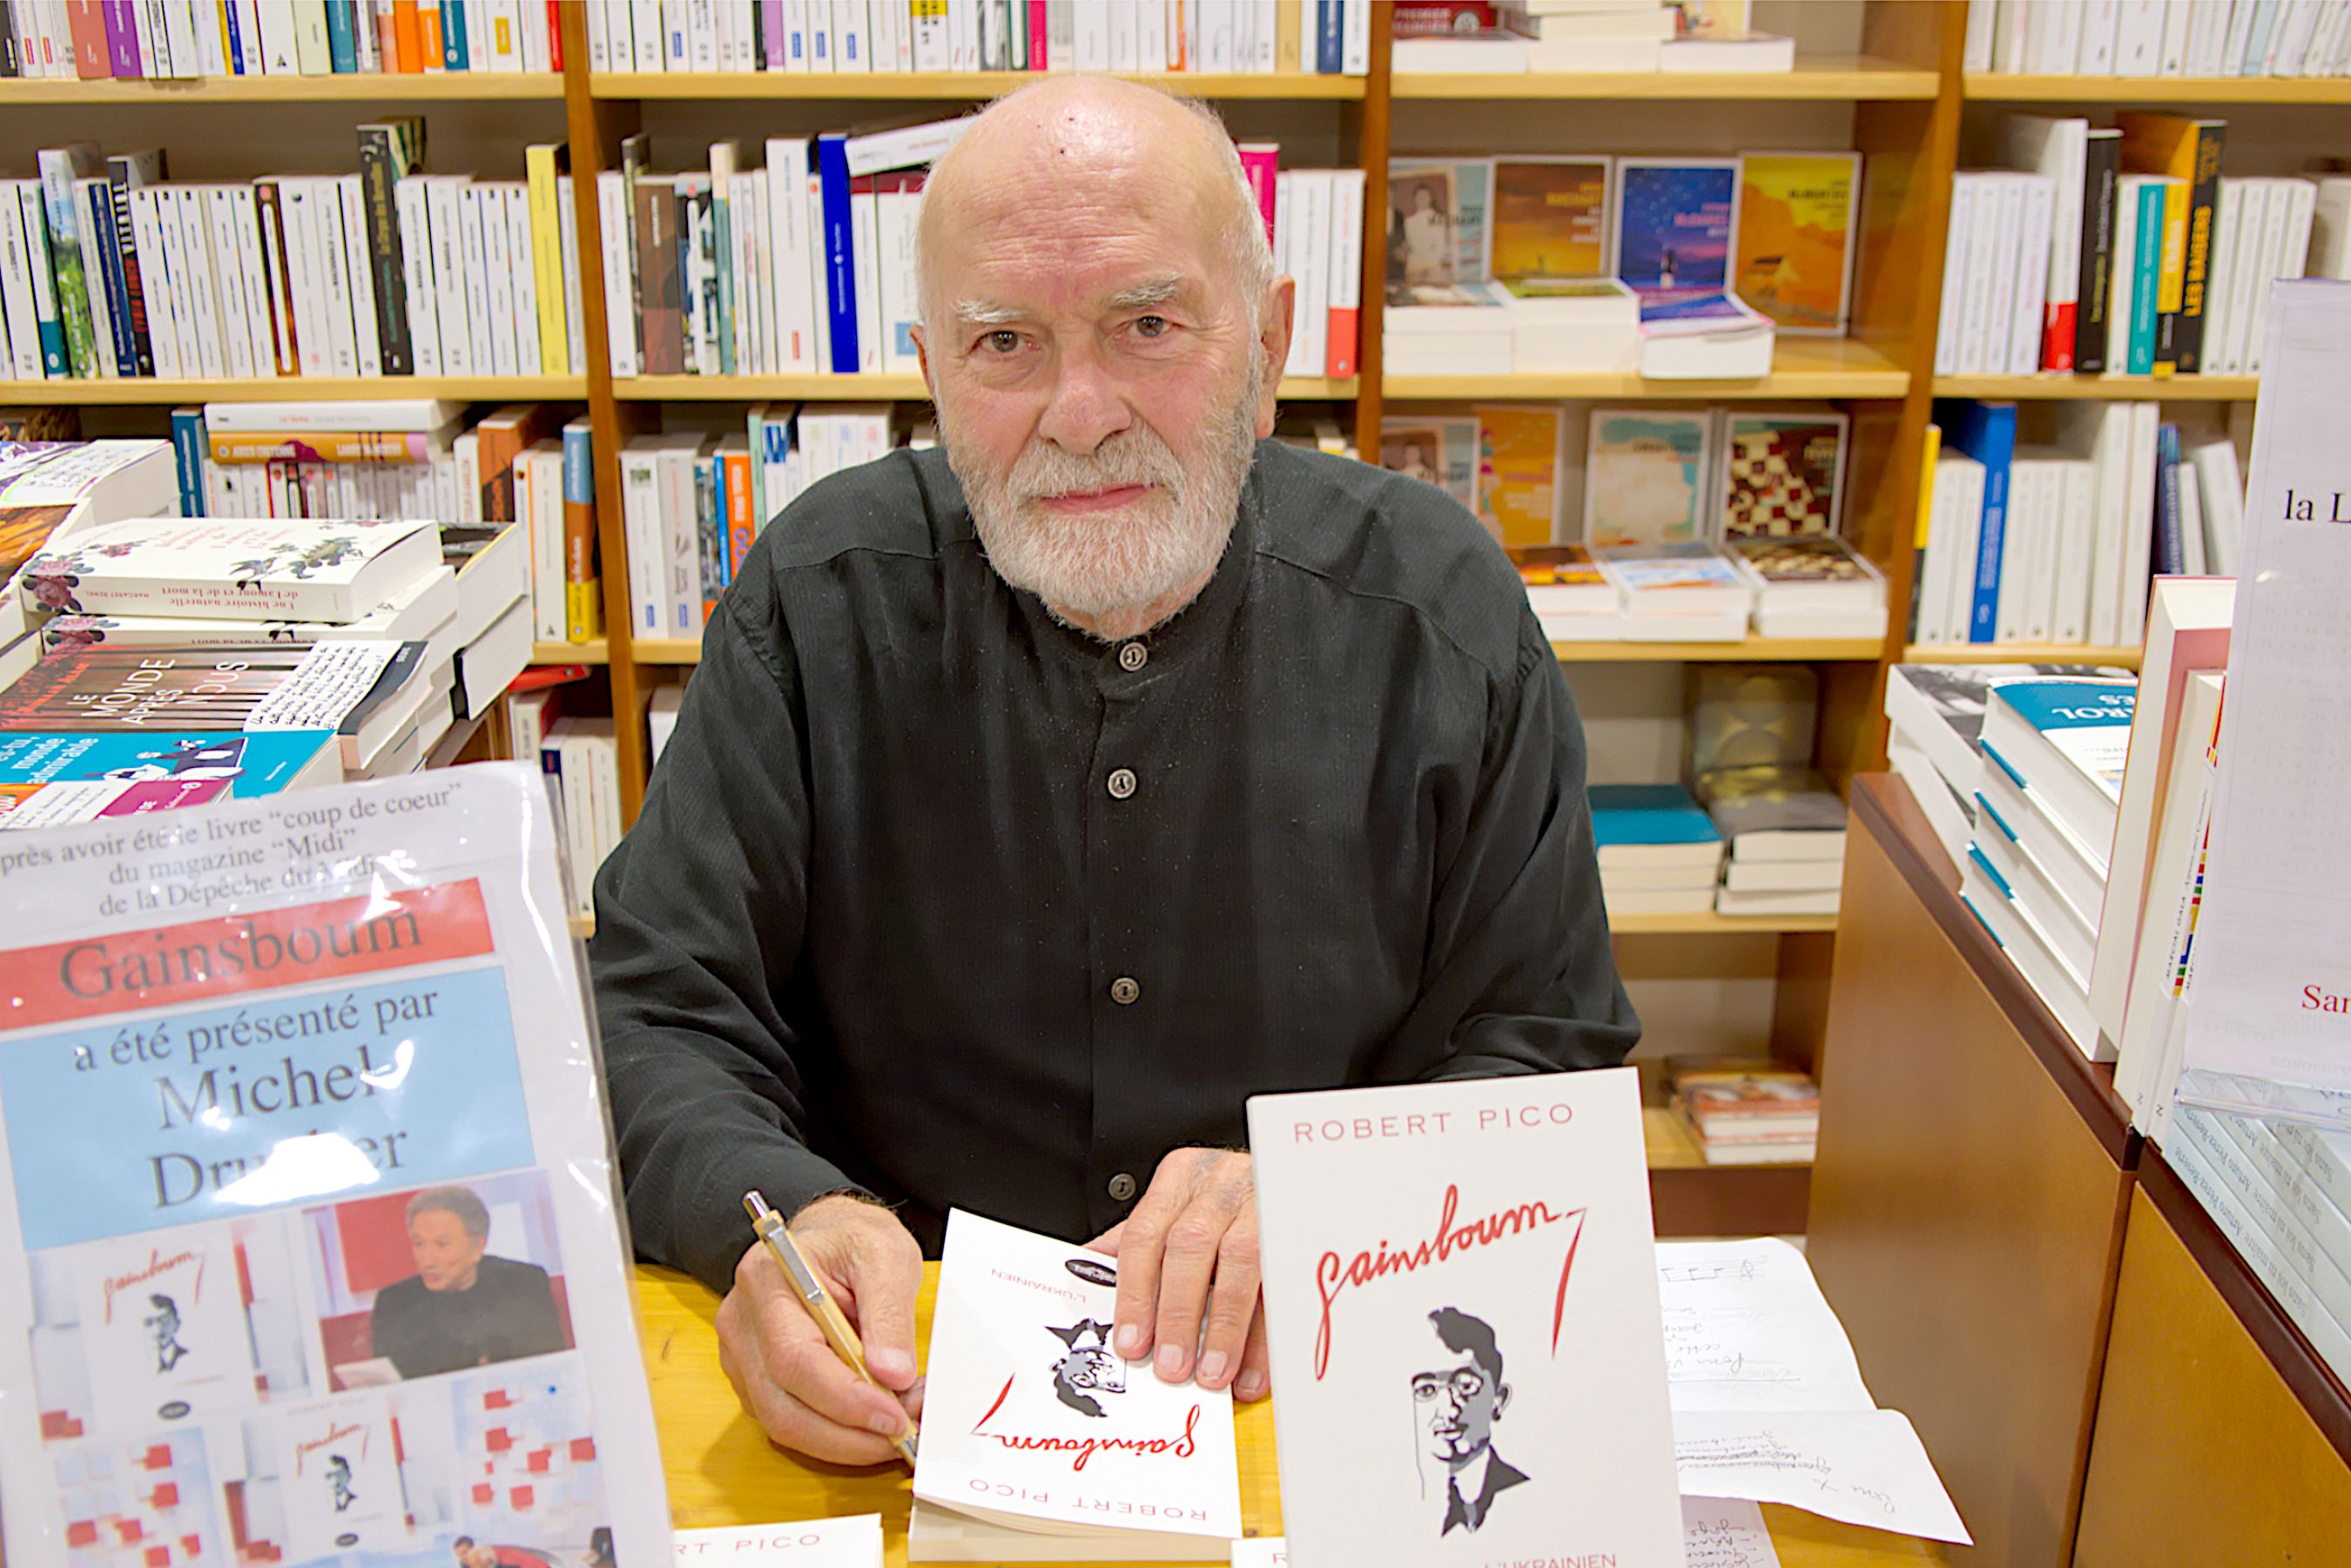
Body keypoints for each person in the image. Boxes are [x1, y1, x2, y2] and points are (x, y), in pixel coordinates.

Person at [589, 76, 1638, 1468]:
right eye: (1004, 342)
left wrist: (1335, 1192)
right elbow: (658, 1004)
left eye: (1147, 326)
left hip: (1316, 1373)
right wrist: (780, 1213)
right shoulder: (815, 599)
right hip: (901, 1386)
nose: (1079, 415)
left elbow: (1548, 1054)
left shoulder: (1443, 615)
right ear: (931, 370)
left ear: (1269, 342)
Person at [368, 1187, 567, 1378]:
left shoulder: (523, 1283)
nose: (426, 1261)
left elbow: (550, 1368)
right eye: (418, 1244)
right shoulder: (394, 1303)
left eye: (442, 1245)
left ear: (478, 1245)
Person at [1412, 1309, 1527, 1537]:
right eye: (1426, 1390)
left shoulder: (1526, 1494)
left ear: (1498, 1400)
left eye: (1465, 1386)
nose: (1448, 1409)